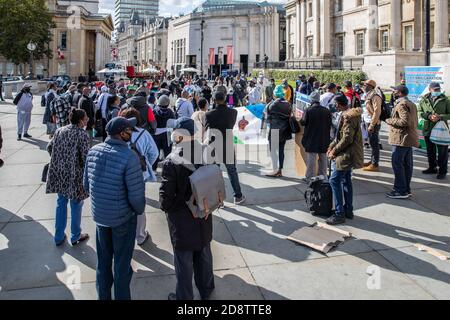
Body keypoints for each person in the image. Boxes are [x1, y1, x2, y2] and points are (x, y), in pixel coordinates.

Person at [83, 117, 146, 300]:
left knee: (103, 263)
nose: (131, 134)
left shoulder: (93, 151)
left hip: (100, 217)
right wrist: (138, 210)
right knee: (122, 265)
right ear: (121, 133)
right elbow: (136, 197)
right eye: (129, 131)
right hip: (123, 219)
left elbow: (86, 186)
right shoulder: (129, 157)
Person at [160, 118, 215, 301]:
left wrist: (166, 206)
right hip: (204, 209)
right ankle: (206, 289)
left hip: (182, 216)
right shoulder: (207, 152)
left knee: (184, 260)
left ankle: (184, 297)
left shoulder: (171, 160)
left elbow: (165, 196)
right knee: (204, 252)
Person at [46, 109, 90, 246]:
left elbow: (49, 147)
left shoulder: (60, 130)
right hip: (75, 175)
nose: (87, 119)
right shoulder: (82, 134)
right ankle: (75, 235)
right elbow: (86, 157)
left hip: (60, 172)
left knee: (61, 202)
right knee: (76, 204)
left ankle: (58, 236)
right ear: (80, 120)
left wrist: (58, 160)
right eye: (86, 117)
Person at [121, 108, 159, 246]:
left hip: (121, 173)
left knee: (123, 203)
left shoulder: (118, 134)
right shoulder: (144, 134)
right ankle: (140, 235)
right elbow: (154, 153)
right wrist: (146, 162)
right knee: (138, 205)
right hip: (139, 174)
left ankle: (125, 234)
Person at [326, 94, 363, 225]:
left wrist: (334, 151)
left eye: (335, 103)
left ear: (339, 104)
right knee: (346, 180)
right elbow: (339, 136)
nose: (334, 106)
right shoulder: (346, 114)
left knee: (334, 180)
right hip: (346, 152)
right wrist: (331, 147)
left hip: (346, 154)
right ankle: (348, 210)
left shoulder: (348, 116)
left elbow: (347, 138)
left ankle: (339, 213)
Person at [205, 91, 246, 205]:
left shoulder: (209, 114)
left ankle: (217, 198)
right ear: (225, 99)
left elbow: (206, 128)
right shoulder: (233, 112)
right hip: (227, 143)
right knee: (232, 171)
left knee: (215, 173)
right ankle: (238, 196)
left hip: (214, 144)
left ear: (214, 100)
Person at [385, 85, 419, 199]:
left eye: (394, 90)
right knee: (406, 165)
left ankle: (400, 190)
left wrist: (389, 120)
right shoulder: (410, 103)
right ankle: (405, 189)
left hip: (401, 138)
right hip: (408, 138)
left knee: (398, 164)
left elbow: (405, 121)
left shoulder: (402, 104)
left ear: (399, 92)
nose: (393, 92)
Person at [417, 82, 450, 180]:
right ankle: (432, 167)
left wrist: (440, 117)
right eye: (435, 90)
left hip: (441, 130)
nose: (437, 91)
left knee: (442, 152)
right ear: (430, 89)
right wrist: (428, 116)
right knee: (430, 151)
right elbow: (419, 111)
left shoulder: (445, 100)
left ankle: (442, 171)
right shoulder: (424, 100)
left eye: (438, 89)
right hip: (428, 129)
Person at [301, 91, 332, 180]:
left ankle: (310, 177)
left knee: (311, 158)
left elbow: (303, 122)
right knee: (323, 158)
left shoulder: (308, 110)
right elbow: (330, 124)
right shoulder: (326, 111)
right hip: (324, 138)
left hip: (311, 138)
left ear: (311, 100)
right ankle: (322, 176)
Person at [265, 85, 292, 177]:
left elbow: (267, 117)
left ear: (275, 94)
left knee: (273, 151)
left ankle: (275, 169)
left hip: (274, 130)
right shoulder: (288, 104)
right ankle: (280, 169)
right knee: (281, 150)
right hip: (284, 130)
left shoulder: (272, 104)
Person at [362, 79, 382, 172]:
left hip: (372, 123)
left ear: (370, 86)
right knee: (371, 143)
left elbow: (377, 112)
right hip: (368, 121)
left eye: (365, 85)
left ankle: (375, 164)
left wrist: (372, 125)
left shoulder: (375, 96)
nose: (363, 86)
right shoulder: (369, 94)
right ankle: (372, 161)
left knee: (374, 144)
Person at [152, 95, 176, 171]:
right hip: (168, 133)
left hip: (156, 133)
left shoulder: (154, 110)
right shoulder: (170, 112)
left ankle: (154, 169)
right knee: (167, 152)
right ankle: (166, 169)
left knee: (156, 152)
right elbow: (174, 123)